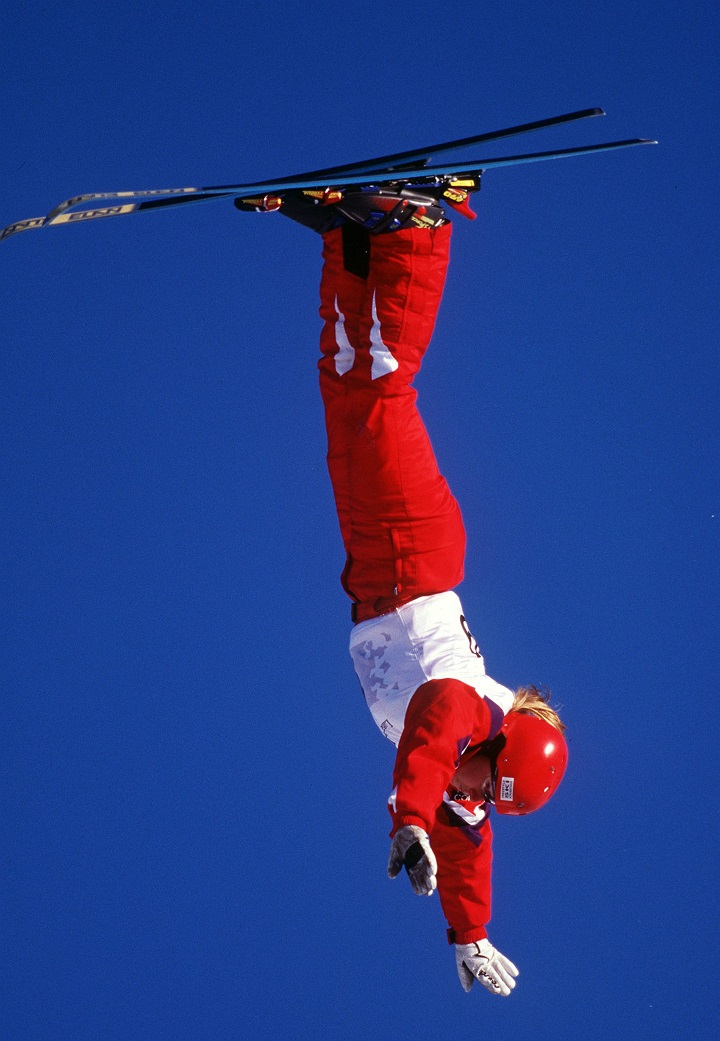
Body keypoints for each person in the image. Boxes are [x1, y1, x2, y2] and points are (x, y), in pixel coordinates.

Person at [239, 182, 568, 995]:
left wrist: (469, 932)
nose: (473, 798)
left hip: (375, 575)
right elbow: (430, 729)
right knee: (383, 392)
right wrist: (410, 816)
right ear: (494, 745)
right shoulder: (467, 711)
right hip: (415, 555)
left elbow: (467, 845)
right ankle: (419, 227)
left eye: (482, 795)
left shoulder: (467, 789)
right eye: (484, 783)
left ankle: (352, 242)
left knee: (347, 389)